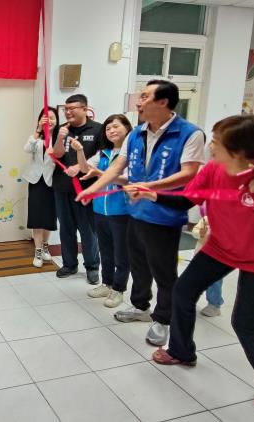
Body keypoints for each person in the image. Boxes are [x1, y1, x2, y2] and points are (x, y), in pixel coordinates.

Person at [134, 115, 254, 416]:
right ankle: (181, 351)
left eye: (217, 142)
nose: (210, 147)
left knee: (245, 323)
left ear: (239, 151)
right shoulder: (213, 168)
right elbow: (187, 199)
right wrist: (152, 194)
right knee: (183, 292)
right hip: (221, 247)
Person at [77, 80, 205, 346]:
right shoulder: (136, 134)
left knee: (164, 271)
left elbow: (189, 173)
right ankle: (140, 306)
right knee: (138, 265)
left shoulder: (190, 133)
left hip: (165, 215)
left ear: (163, 102)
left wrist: (148, 187)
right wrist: (93, 189)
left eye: (145, 96)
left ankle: (163, 319)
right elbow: (117, 168)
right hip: (134, 212)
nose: (138, 101)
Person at [72, 114, 133, 307]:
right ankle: (107, 283)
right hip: (99, 210)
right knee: (105, 251)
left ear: (127, 128)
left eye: (116, 126)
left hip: (122, 212)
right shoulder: (103, 153)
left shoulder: (132, 154)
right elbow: (85, 168)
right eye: (108, 128)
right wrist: (80, 150)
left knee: (121, 254)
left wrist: (103, 174)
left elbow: (128, 180)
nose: (111, 131)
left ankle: (118, 289)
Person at [51, 94, 102, 283]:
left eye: (72, 108)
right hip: (62, 187)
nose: (68, 112)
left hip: (85, 189)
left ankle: (92, 266)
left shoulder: (98, 129)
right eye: (66, 109)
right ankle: (69, 264)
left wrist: (80, 167)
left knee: (88, 230)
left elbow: (102, 157)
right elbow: (57, 154)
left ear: (85, 109)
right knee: (66, 228)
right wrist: (60, 138)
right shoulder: (62, 129)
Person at [23, 107, 58, 267]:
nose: (49, 120)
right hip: (36, 181)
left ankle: (45, 247)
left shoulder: (60, 139)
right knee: (37, 217)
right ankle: (37, 250)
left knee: (49, 217)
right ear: (40, 120)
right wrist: (37, 130)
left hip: (53, 181)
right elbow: (27, 149)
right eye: (45, 118)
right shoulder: (36, 138)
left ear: (57, 120)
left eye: (52, 118)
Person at [190, 211, 223, 317]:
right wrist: (200, 233)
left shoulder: (227, 223)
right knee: (194, 280)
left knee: (214, 283)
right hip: (200, 257)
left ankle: (214, 305)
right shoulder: (206, 219)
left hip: (217, 259)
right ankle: (190, 298)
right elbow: (195, 231)